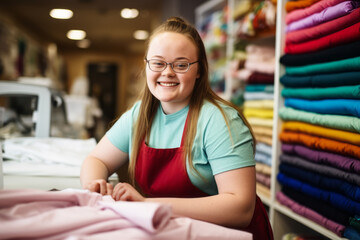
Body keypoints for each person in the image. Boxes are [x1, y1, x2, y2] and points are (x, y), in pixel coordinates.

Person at [80, 17, 273, 240]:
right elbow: (96, 160)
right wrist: (95, 187)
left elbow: (240, 209)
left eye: (181, 64)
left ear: (199, 70)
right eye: (158, 63)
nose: (168, 72)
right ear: (146, 65)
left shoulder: (220, 120)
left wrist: (147, 204)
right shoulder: (140, 114)